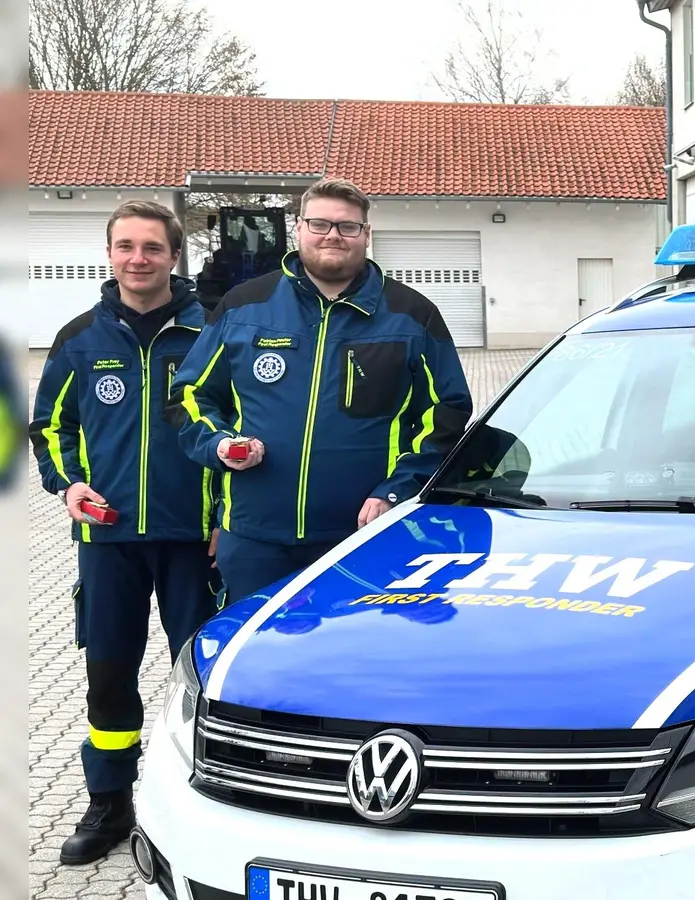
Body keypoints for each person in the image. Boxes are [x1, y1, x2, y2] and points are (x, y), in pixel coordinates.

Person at [28, 200, 222, 865]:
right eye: (125, 246)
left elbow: (241, 430)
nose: (138, 258)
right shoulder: (79, 339)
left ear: (175, 256)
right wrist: (67, 484)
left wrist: (227, 517)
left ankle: (201, 802)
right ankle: (109, 801)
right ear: (109, 254)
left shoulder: (213, 334)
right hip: (107, 542)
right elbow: (51, 428)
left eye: (151, 247)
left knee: (196, 671)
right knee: (108, 674)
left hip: (195, 540)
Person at [168, 177, 473, 601]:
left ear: (366, 235)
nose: (333, 235)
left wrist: (396, 489)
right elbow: (189, 395)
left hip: (362, 536)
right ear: (299, 228)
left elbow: (447, 412)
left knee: (354, 659)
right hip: (255, 539)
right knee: (256, 661)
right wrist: (218, 444)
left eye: (348, 226)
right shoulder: (244, 305)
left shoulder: (411, 315)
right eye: (320, 224)